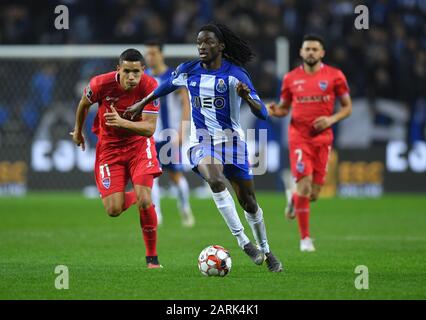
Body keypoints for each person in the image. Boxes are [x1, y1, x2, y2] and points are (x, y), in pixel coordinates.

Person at [125, 23, 283, 272]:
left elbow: (262, 113)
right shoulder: (189, 70)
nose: (202, 47)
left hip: (233, 143)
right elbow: (166, 86)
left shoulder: (236, 75)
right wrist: (142, 102)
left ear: (220, 46)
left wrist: (248, 98)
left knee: (249, 202)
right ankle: (243, 241)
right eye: (199, 42)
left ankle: (266, 249)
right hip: (201, 142)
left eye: (208, 42)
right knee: (215, 179)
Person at [70, 49, 163, 268]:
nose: (132, 77)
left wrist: (122, 122)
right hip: (109, 151)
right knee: (113, 210)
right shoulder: (99, 85)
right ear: (118, 69)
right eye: (127, 71)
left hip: (139, 147)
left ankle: (152, 258)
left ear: (143, 71)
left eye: (136, 72)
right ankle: (140, 197)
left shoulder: (150, 87)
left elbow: (149, 129)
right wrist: (78, 131)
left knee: (145, 199)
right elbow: (84, 103)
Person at [268, 34, 352, 252]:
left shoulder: (335, 76)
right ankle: (305, 239)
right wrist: (274, 111)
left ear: (322, 53)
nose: (311, 52)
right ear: (301, 52)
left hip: (323, 138)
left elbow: (347, 107)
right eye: (308, 49)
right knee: (304, 183)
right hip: (299, 137)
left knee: (313, 194)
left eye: (315, 49)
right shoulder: (290, 79)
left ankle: (293, 199)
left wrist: (331, 119)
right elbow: (284, 107)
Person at [144, 40, 195, 227]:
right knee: (150, 176)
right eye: (147, 54)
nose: (150, 57)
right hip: (149, 136)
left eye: (153, 53)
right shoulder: (143, 77)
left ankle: (185, 208)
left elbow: (185, 104)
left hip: (169, 135)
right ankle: (157, 216)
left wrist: (183, 130)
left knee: (175, 176)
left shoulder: (174, 76)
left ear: (161, 54)